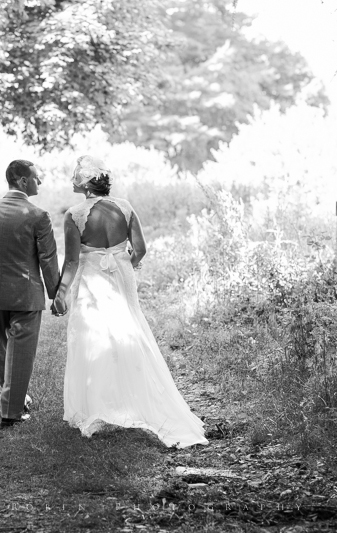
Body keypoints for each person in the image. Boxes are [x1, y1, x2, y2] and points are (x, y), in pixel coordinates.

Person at [52, 156, 208, 448]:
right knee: (128, 332)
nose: (73, 180)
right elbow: (140, 249)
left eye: (77, 176)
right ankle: (132, 402)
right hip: (122, 277)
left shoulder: (74, 215)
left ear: (86, 184)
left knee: (93, 336)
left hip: (91, 279)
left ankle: (100, 406)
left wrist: (60, 293)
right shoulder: (125, 207)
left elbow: (71, 261)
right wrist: (125, 265)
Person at [0, 160, 60, 428]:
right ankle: (11, 412)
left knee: (2, 348)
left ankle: (15, 399)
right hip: (25, 295)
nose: (39, 182)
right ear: (22, 181)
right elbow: (48, 259)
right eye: (36, 177)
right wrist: (55, 294)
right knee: (21, 353)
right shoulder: (38, 216)